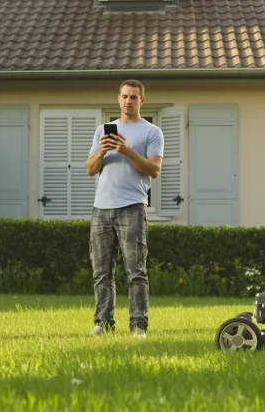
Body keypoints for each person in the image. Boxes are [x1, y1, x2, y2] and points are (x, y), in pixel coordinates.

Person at [85, 79, 164, 338]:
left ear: (142, 100)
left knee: (136, 271)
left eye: (133, 97)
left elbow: (154, 169)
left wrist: (127, 151)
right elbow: (90, 169)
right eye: (124, 96)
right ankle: (103, 323)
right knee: (101, 272)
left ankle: (138, 325)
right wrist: (102, 152)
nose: (128, 101)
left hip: (132, 207)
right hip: (101, 208)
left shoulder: (152, 132)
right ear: (118, 98)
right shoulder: (102, 131)